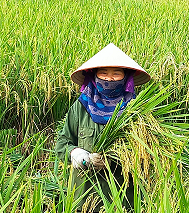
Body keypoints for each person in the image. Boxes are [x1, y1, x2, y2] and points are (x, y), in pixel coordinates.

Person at [55, 43, 151, 212]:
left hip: (122, 200)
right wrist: (75, 154)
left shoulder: (135, 110)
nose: (109, 78)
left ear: (126, 77)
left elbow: (147, 154)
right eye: (103, 73)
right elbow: (62, 142)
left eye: (116, 73)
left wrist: (114, 160)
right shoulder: (80, 107)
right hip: (84, 198)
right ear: (94, 75)